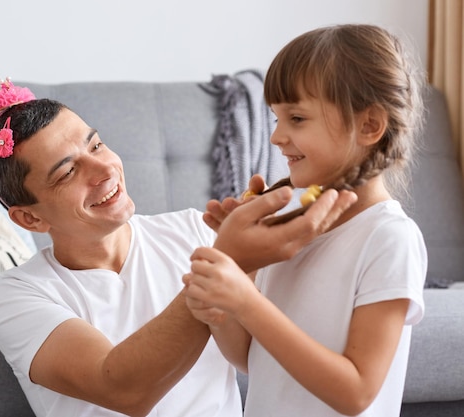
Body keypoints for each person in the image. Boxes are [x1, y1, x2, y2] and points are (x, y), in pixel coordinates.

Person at [0, 78, 357, 417]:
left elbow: (252, 356)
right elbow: (123, 389)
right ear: (30, 219)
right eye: (69, 172)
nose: (105, 169)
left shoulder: (194, 230)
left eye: (97, 144)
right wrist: (227, 261)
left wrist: (247, 266)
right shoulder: (17, 297)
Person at [183, 24, 427, 417]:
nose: (277, 136)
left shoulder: (388, 237)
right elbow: (249, 358)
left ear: (369, 125)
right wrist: (232, 280)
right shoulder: (286, 229)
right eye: (276, 118)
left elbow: (357, 392)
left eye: (296, 118)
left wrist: (247, 301)